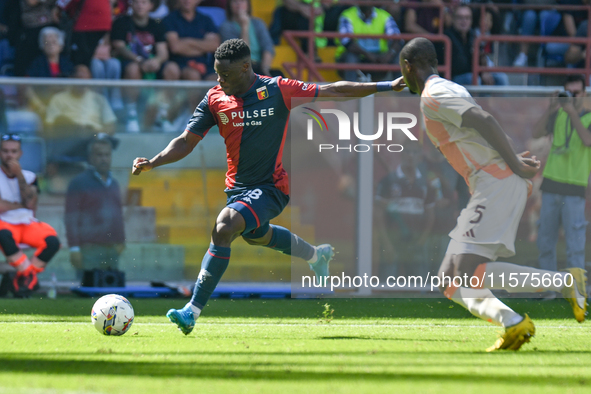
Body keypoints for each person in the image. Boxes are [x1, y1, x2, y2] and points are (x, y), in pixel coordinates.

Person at [132, 38, 406, 335]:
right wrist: (154, 162)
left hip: (272, 186)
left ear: (246, 67)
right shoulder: (214, 99)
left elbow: (332, 90)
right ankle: (316, 255)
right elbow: (186, 140)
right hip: (238, 189)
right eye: (216, 73)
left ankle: (191, 311)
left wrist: (386, 86)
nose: (218, 80)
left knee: (225, 225)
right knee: (257, 236)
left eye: (224, 74)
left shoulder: (277, 89)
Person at [398, 37, 587, 351]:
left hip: (494, 183)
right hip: (495, 181)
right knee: (453, 278)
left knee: (457, 276)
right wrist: (511, 159)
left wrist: (512, 161)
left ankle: (516, 322)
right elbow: (482, 127)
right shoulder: (449, 87)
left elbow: (484, 121)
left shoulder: (434, 95)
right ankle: (562, 284)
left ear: (407, 67)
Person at [532, 74, 591, 273]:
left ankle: (576, 295)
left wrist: (572, 112)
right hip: (551, 185)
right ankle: (548, 291)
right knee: (545, 243)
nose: (572, 97)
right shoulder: (558, 114)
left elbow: (587, 140)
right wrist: (550, 109)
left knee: (575, 247)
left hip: (574, 188)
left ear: (585, 93)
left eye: (577, 93)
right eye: (569, 93)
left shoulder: (588, 116)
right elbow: (536, 133)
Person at [0, 133, 60, 296]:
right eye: (5, 151)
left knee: (52, 242)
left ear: (20, 153)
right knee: (3, 236)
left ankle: (22, 276)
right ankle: (28, 278)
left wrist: (18, 174)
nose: (9, 155)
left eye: (13, 151)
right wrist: (20, 205)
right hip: (3, 223)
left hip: (27, 223)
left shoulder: (29, 176)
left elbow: (31, 203)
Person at [65, 135, 125, 279]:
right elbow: (71, 218)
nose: (104, 159)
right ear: (91, 157)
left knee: (110, 295)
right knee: (88, 292)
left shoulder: (114, 184)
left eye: (107, 155)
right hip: (88, 251)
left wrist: (121, 241)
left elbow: (118, 215)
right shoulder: (78, 183)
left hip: (112, 250)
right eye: (99, 155)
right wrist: (74, 248)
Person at [375, 143, 436, 278]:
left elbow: (430, 216)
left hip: (416, 242)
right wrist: (386, 243)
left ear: (420, 157)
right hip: (393, 241)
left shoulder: (426, 184)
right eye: (407, 152)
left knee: (418, 285)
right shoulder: (388, 181)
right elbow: (378, 213)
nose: (411, 156)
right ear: (401, 155)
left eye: (415, 152)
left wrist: (422, 240)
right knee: (387, 284)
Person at [335, 0, 401, 82]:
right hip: (358, 57)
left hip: (379, 58)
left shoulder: (384, 16)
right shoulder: (347, 15)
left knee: (398, 56)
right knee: (351, 57)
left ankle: (401, 90)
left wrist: (389, 54)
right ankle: (350, 90)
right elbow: (347, 42)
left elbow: (397, 39)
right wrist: (369, 55)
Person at [162, 0, 220, 81]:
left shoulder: (206, 20)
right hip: (180, 64)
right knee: (192, 75)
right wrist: (203, 46)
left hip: (204, 65)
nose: (187, 1)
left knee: (217, 79)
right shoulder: (169, 19)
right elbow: (175, 47)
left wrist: (188, 42)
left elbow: (214, 46)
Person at [219, 0, 275, 76]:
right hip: (240, 68)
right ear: (229, 6)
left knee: (280, 79)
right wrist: (244, 27)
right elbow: (241, 54)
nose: (238, 4)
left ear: (248, 4)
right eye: (235, 2)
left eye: (242, 1)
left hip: (260, 66)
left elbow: (268, 48)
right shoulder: (226, 27)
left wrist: (265, 70)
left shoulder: (258, 23)